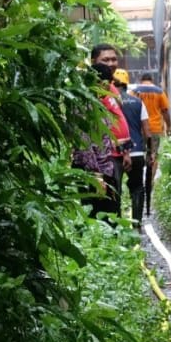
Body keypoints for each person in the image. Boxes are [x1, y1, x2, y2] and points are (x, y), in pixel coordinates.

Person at [70, 44, 131, 218]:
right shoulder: (86, 101)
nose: (111, 63)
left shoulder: (110, 90)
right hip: (97, 167)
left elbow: (115, 126)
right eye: (106, 59)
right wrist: (96, 175)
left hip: (110, 162)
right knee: (100, 214)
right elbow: (85, 141)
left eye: (113, 59)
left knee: (113, 210)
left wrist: (124, 150)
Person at [113, 69, 149, 226]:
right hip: (137, 151)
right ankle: (136, 224)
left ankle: (116, 225)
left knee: (115, 190)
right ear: (127, 84)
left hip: (115, 153)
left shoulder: (108, 101)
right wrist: (150, 152)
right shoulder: (138, 102)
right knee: (137, 188)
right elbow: (147, 132)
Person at [135, 72, 171, 214]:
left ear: (141, 79)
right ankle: (149, 181)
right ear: (151, 80)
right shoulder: (158, 91)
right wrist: (169, 126)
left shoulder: (135, 91)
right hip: (155, 129)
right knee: (153, 155)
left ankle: (139, 181)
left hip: (139, 128)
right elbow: (165, 111)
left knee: (139, 154)